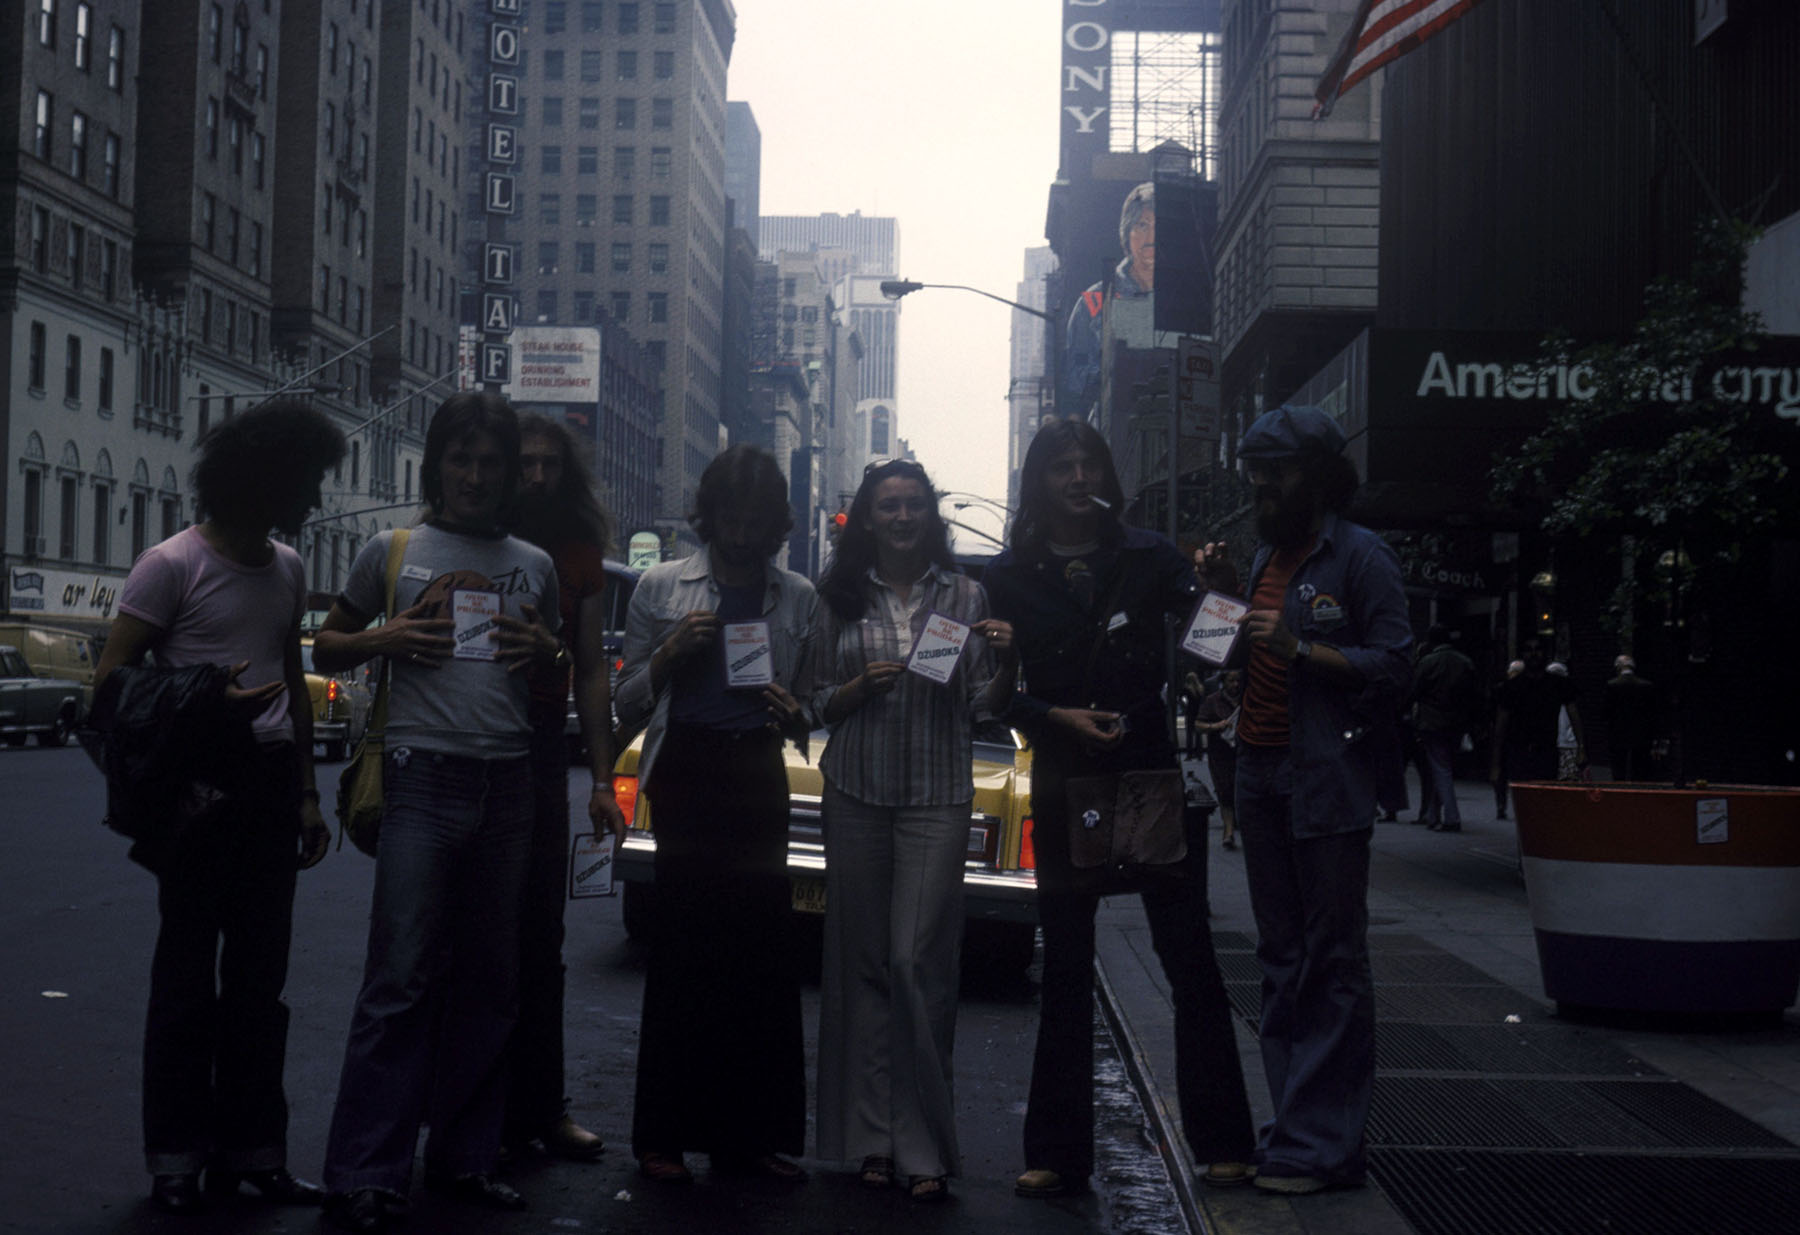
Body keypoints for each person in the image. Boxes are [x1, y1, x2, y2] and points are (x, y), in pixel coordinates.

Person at [984, 419, 1254, 1200]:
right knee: (1065, 965)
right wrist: (1049, 716)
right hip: (1066, 778)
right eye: (1060, 466)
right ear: (1038, 482)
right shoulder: (1010, 575)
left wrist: (1225, 590)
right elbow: (994, 691)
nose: (1076, 477)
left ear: (1105, 473)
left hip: (1146, 776)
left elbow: (1213, 649)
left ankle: (1224, 1141)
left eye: (1087, 463)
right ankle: (1059, 1153)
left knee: (1189, 957)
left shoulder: (1150, 556)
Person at [316, 392, 563, 1233]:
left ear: (507, 477)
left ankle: (465, 1158)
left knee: (492, 982)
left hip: (508, 785)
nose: (475, 475)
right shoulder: (392, 549)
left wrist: (548, 651)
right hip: (421, 777)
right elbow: (325, 645)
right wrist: (383, 639)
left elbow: (551, 659)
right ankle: (364, 1171)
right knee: (400, 980)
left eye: (491, 462)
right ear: (437, 465)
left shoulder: (535, 563)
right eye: (461, 458)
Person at [93, 400, 343, 1215]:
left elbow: (296, 692)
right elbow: (109, 690)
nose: (313, 498)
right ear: (264, 478)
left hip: (270, 785)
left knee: (260, 984)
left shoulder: (289, 566)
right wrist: (205, 705)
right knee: (186, 980)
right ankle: (175, 1160)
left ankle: (253, 1154)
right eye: (305, 481)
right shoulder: (169, 565)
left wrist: (308, 795)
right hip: (198, 790)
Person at [1196, 404, 1412, 1195]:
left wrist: (1303, 649)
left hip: (1326, 778)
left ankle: (1326, 1146)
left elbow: (1394, 665)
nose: (1259, 482)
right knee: (1282, 960)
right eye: (1254, 468)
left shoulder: (1362, 557)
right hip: (1260, 769)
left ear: (1314, 476)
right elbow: (1230, 656)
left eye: (1275, 469)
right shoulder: (1261, 560)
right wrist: (1220, 596)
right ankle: (1294, 1131)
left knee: (1332, 961)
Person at [809, 459, 1015, 1204]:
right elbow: (806, 701)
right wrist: (854, 690)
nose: (901, 517)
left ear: (931, 515)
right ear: (866, 518)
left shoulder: (965, 593)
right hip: (856, 791)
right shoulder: (836, 598)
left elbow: (985, 705)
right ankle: (868, 1139)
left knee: (915, 963)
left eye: (913, 505)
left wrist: (1008, 658)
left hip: (937, 793)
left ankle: (921, 1141)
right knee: (861, 964)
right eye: (887, 506)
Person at [616, 445, 817, 1186]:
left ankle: (748, 1139)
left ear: (774, 525)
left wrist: (799, 712)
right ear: (710, 514)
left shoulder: (797, 595)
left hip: (757, 769)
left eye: (755, 520)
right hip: (688, 771)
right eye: (729, 516)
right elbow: (626, 698)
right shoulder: (663, 584)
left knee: (759, 956)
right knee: (682, 951)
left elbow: (815, 699)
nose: (739, 533)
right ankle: (663, 1137)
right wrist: (669, 654)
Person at [503, 412, 628, 1160]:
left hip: (544, 748)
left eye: (551, 464)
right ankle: (471, 1105)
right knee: (465, 939)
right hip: (468, 745)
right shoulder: (466, 535)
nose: (538, 477)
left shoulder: (581, 555)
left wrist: (604, 779)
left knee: (539, 938)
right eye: (526, 463)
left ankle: (543, 1107)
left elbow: (589, 669)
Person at [1063, 181, 1154, 414]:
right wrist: (1112, 369)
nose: (1151, 237)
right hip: (1111, 428)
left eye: (1158, 227)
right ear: (1127, 233)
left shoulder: (1185, 298)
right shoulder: (1093, 301)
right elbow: (1074, 377)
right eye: (1142, 226)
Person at [1491, 639, 1582, 790]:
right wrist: (1496, 763)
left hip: (1547, 751)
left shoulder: (1557, 684)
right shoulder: (1511, 687)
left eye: (1537, 649)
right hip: (1519, 752)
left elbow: (1575, 715)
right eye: (1529, 650)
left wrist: (1581, 748)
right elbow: (1501, 725)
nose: (1533, 654)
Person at [1411, 625, 1477, 832]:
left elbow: (1414, 690)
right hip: (1456, 722)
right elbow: (1474, 694)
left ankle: (1451, 816)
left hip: (1431, 722)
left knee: (1440, 768)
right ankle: (1433, 814)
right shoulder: (1465, 662)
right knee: (1443, 768)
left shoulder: (1427, 662)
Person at [1192, 670, 1244, 848]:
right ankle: (1228, 831)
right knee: (1224, 790)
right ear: (1224, 682)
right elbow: (1198, 725)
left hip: (1243, 751)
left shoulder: (1247, 699)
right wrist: (1217, 726)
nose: (1235, 685)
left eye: (1238, 681)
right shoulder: (1212, 701)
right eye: (1231, 681)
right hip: (1220, 753)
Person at [1603, 654, 1659, 781]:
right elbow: (1652, 712)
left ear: (1618, 667)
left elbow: (1606, 712)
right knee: (1640, 770)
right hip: (1641, 734)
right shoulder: (1646, 685)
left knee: (1619, 769)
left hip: (1618, 734)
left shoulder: (1612, 685)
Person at [1491, 659, 1524, 818]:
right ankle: (1506, 804)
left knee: (1501, 773)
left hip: (1509, 737)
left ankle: (1502, 804)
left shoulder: (1502, 689)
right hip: (1514, 737)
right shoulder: (1522, 691)